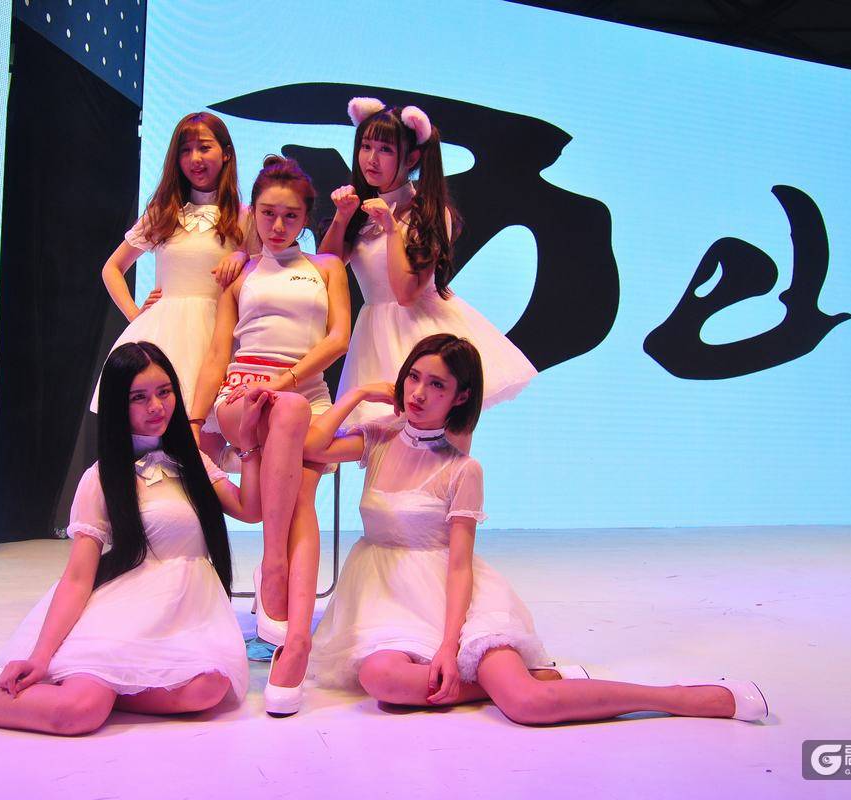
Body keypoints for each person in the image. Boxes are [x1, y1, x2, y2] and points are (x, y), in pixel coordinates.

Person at [304, 334, 768, 724]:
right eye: (413, 377)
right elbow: (313, 447)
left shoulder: (463, 469)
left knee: (526, 704)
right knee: (384, 681)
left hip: (450, 598)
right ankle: (535, 676)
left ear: (461, 397)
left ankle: (689, 698)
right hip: (384, 598)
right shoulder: (381, 437)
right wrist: (355, 396)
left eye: (437, 384)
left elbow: (460, 566)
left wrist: (449, 646)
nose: (418, 393)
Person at [0, 342, 268, 734]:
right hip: (125, 611)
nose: (156, 406)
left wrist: (248, 445)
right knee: (78, 713)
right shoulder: (102, 479)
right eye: (138, 397)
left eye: (164, 391)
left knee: (207, 690)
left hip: (185, 616)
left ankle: (92, 686)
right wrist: (41, 655)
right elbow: (78, 576)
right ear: (117, 406)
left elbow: (251, 509)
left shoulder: (193, 463)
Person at [189, 155, 349, 716]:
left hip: (304, 395)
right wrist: (195, 420)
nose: (278, 225)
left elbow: (338, 338)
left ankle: (294, 641)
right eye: (267, 213)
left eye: (291, 216)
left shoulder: (327, 267)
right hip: (243, 397)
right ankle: (273, 571)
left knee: (300, 485)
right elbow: (218, 353)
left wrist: (286, 380)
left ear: (306, 218)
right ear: (252, 213)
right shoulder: (239, 273)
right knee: (284, 414)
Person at [318, 98, 537, 429]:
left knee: (426, 436)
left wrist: (391, 229)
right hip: (373, 333)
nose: (371, 159)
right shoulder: (362, 208)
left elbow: (406, 293)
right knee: (376, 438)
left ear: (412, 158)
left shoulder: (429, 213)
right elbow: (325, 269)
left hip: (421, 333)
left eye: (385, 149)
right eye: (365, 146)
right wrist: (342, 217)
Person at [92, 112, 250, 442]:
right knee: (157, 437)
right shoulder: (163, 213)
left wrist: (242, 256)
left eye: (204, 147)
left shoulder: (243, 216)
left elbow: (264, 273)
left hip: (219, 336)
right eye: (185, 150)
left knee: (209, 441)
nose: (195, 158)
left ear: (226, 153)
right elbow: (112, 268)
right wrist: (135, 316)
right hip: (166, 336)